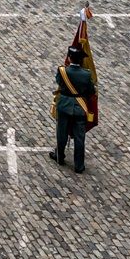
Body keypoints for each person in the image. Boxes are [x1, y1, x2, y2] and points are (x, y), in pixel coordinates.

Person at [51, 43, 96, 174]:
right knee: (79, 137)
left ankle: (59, 156)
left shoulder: (62, 71)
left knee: (62, 133)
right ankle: (79, 165)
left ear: (69, 57)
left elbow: (59, 82)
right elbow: (91, 91)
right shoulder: (87, 74)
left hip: (64, 106)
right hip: (80, 107)